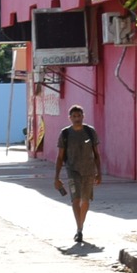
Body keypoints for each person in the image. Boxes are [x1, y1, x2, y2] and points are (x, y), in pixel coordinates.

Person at [52, 103, 101, 244]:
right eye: (74, 116)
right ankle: (79, 229)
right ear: (70, 118)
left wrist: (99, 173)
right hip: (72, 170)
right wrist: (57, 177)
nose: (77, 118)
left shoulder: (90, 132)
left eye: (79, 115)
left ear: (83, 116)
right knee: (75, 199)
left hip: (89, 171)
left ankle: (81, 226)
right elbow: (60, 156)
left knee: (85, 201)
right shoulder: (65, 134)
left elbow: (96, 154)